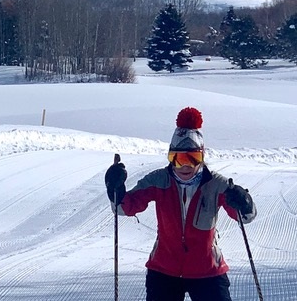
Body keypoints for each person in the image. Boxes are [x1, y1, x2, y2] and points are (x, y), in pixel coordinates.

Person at [104, 107, 257, 301]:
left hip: (207, 269)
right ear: (170, 157)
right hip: (164, 268)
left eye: (193, 159)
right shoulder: (159, 180)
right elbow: (123, 207)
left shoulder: (216, 184)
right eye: (178, 159)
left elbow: (246, 217)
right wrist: (115, 190)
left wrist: (244, 203)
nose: (185, 166)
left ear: (202, 157)